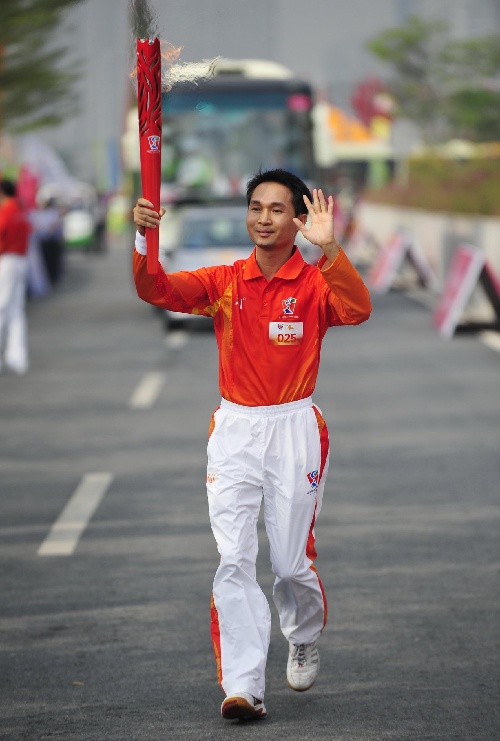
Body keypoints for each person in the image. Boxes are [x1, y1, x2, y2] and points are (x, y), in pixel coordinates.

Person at [132, 169, 371, 721]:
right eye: (256, 208)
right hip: (236, 429)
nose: (264, 219)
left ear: (298, 220)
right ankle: (243, 686)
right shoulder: (225, 282)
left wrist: (331, 248)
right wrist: (142, 238)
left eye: (277, 210)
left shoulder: (313, 284)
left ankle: (303, 633)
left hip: (294, 428)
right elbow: (155, 288)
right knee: (234, 558)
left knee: (289, 566)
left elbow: (357, 309)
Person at [0, 179, 32, 374]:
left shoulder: (6, 211)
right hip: (20, 259)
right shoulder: (20, 211)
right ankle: (17, 356)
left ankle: (13, 356)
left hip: (7, 260)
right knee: (16, 309)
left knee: (2, 306)